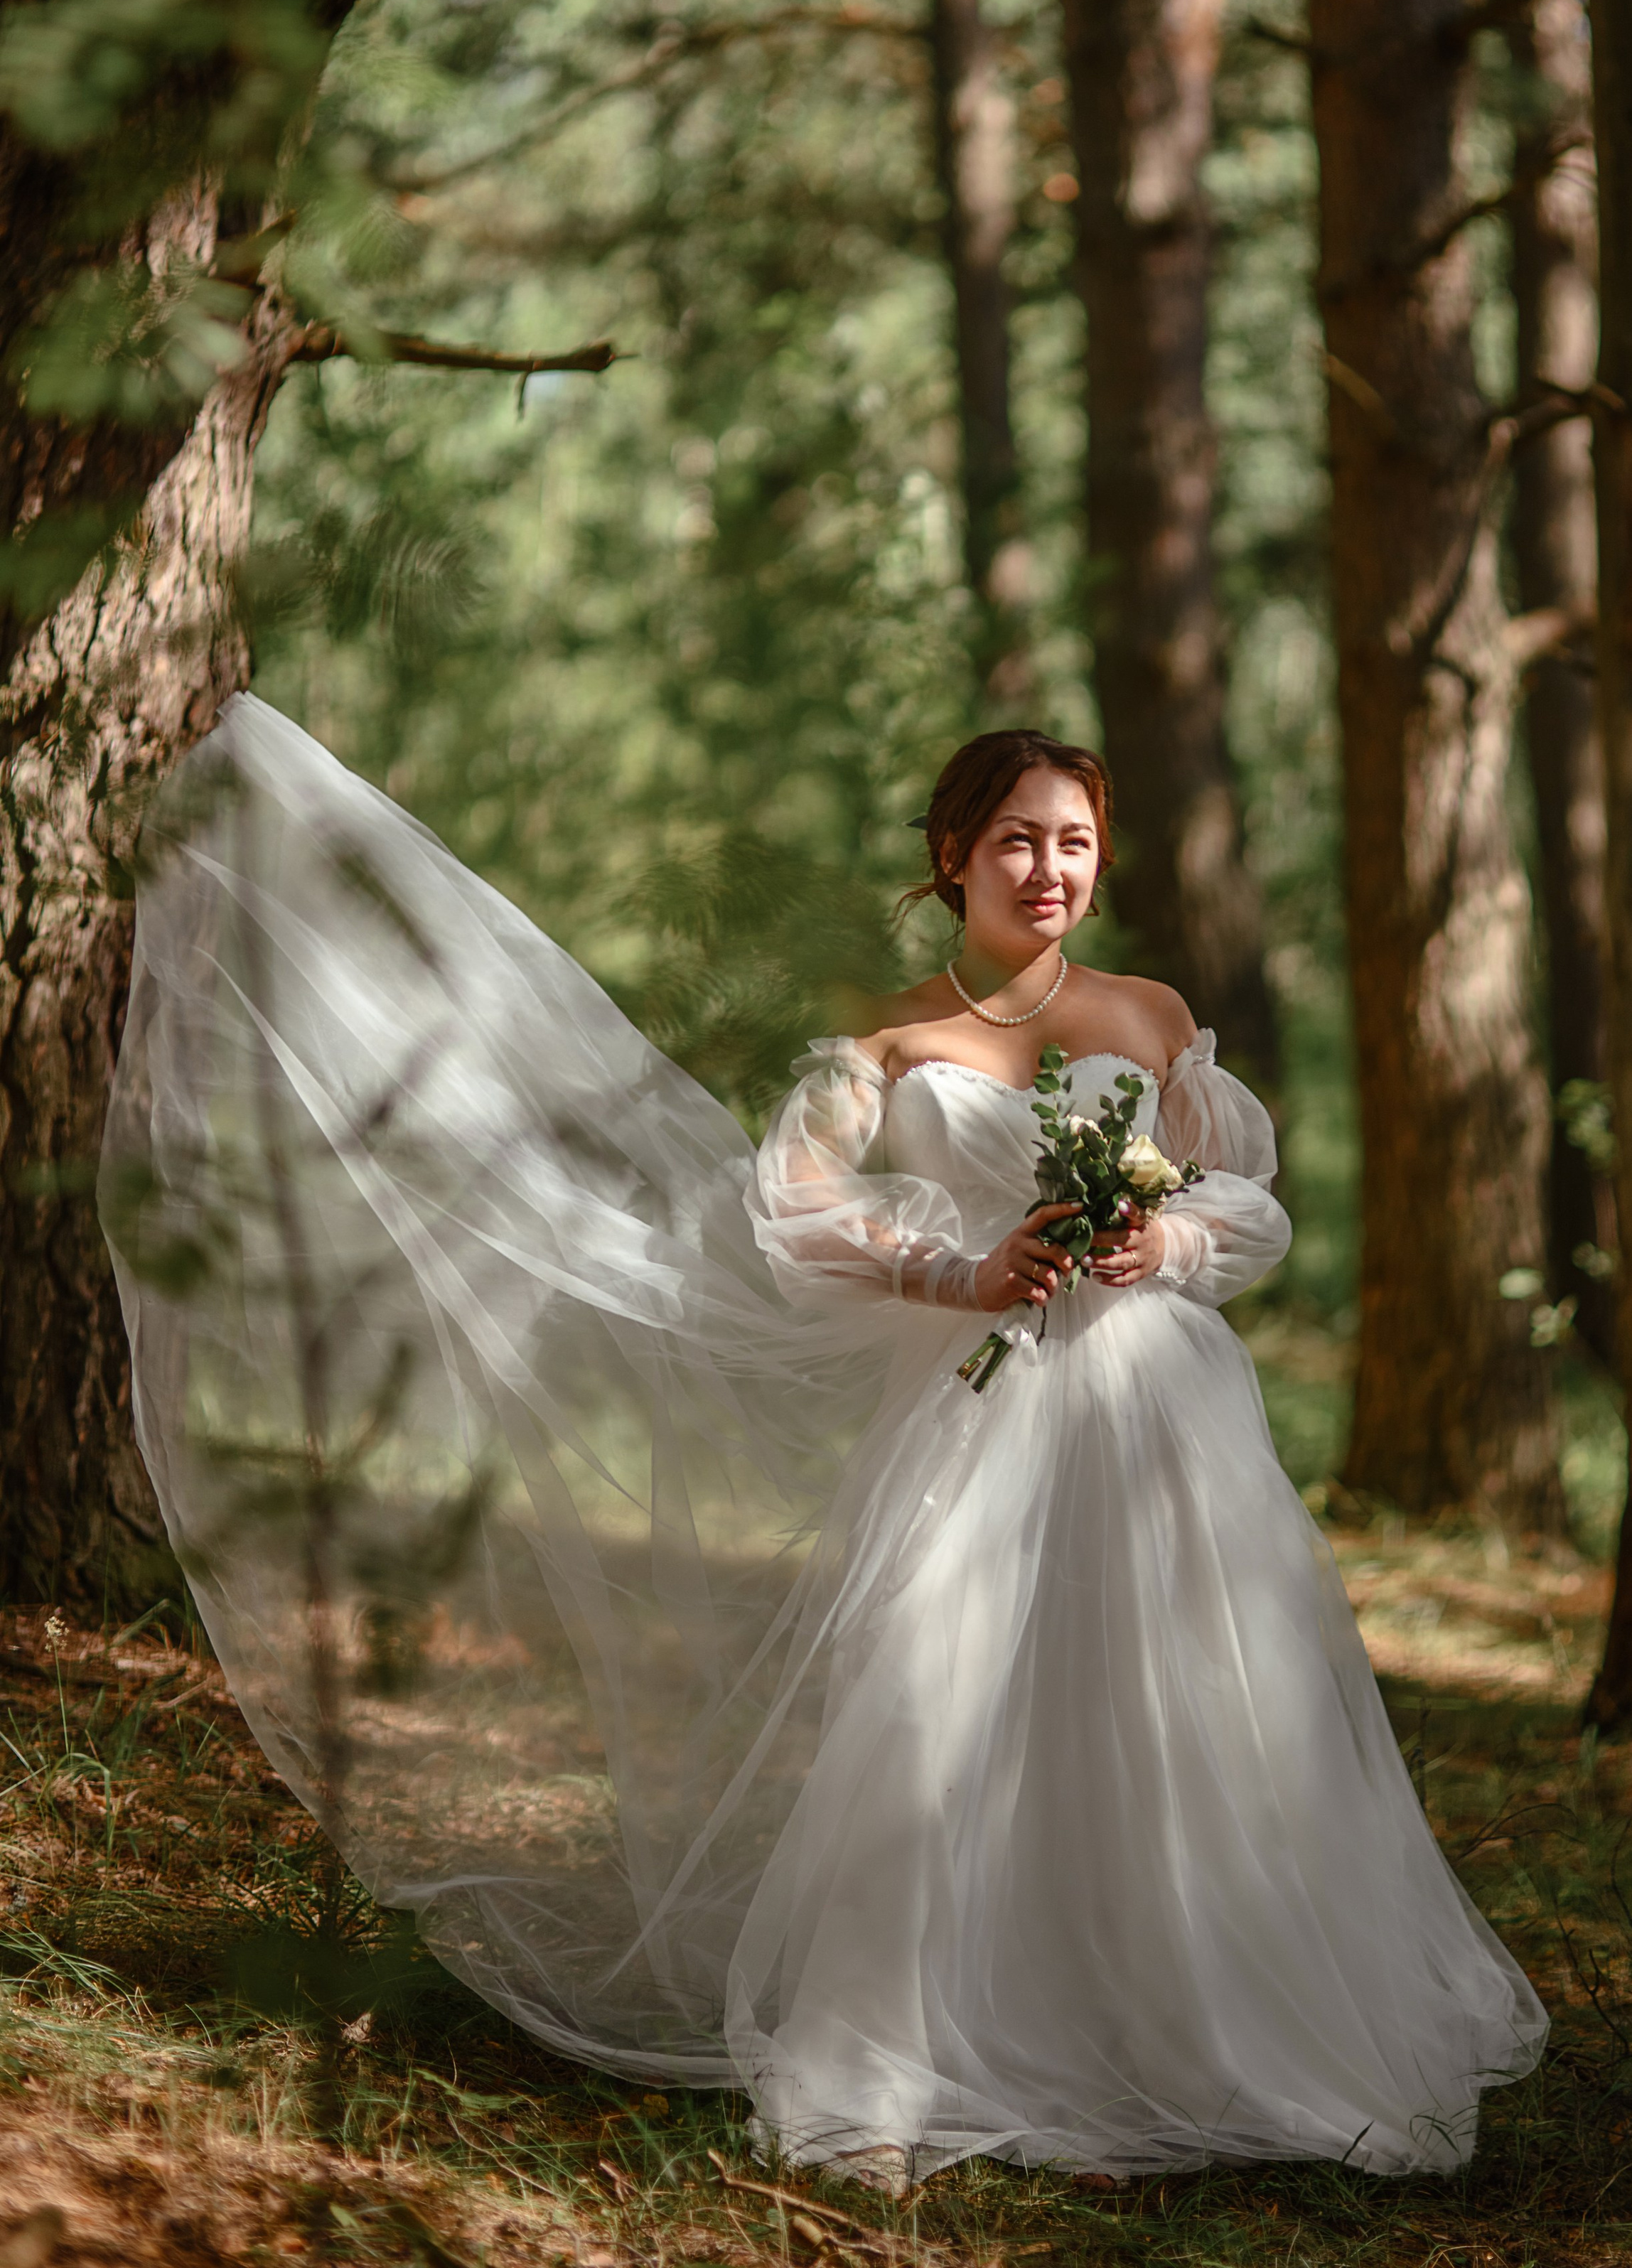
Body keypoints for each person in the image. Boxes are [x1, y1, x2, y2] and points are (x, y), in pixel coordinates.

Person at [102, 704, 1546, 2192]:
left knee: (1183, 1705)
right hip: (980, 1416)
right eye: (1014, 841)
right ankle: (893, 2047)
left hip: (1161, 1416)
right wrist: (961, 1271)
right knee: (937, 1700)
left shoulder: (1154, 1017)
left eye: (1073, 843)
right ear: (951, 856)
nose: (1046, 869)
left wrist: (1164, 1233)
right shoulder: (891, 1043)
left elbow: (1251, 1206)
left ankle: (1187, 2017)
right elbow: (784, 1214)